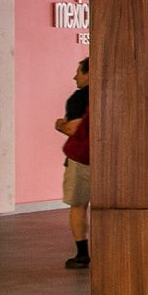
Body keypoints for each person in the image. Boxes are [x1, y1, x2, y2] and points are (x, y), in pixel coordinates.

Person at [53, 57, 90, 269]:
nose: (75, 77)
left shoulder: (79, 98)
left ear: (89, 74)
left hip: (81, 159)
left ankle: (82, 254)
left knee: (78, 205)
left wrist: (60, 125)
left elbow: (72, 128)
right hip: (109, 159)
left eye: (79, 72)